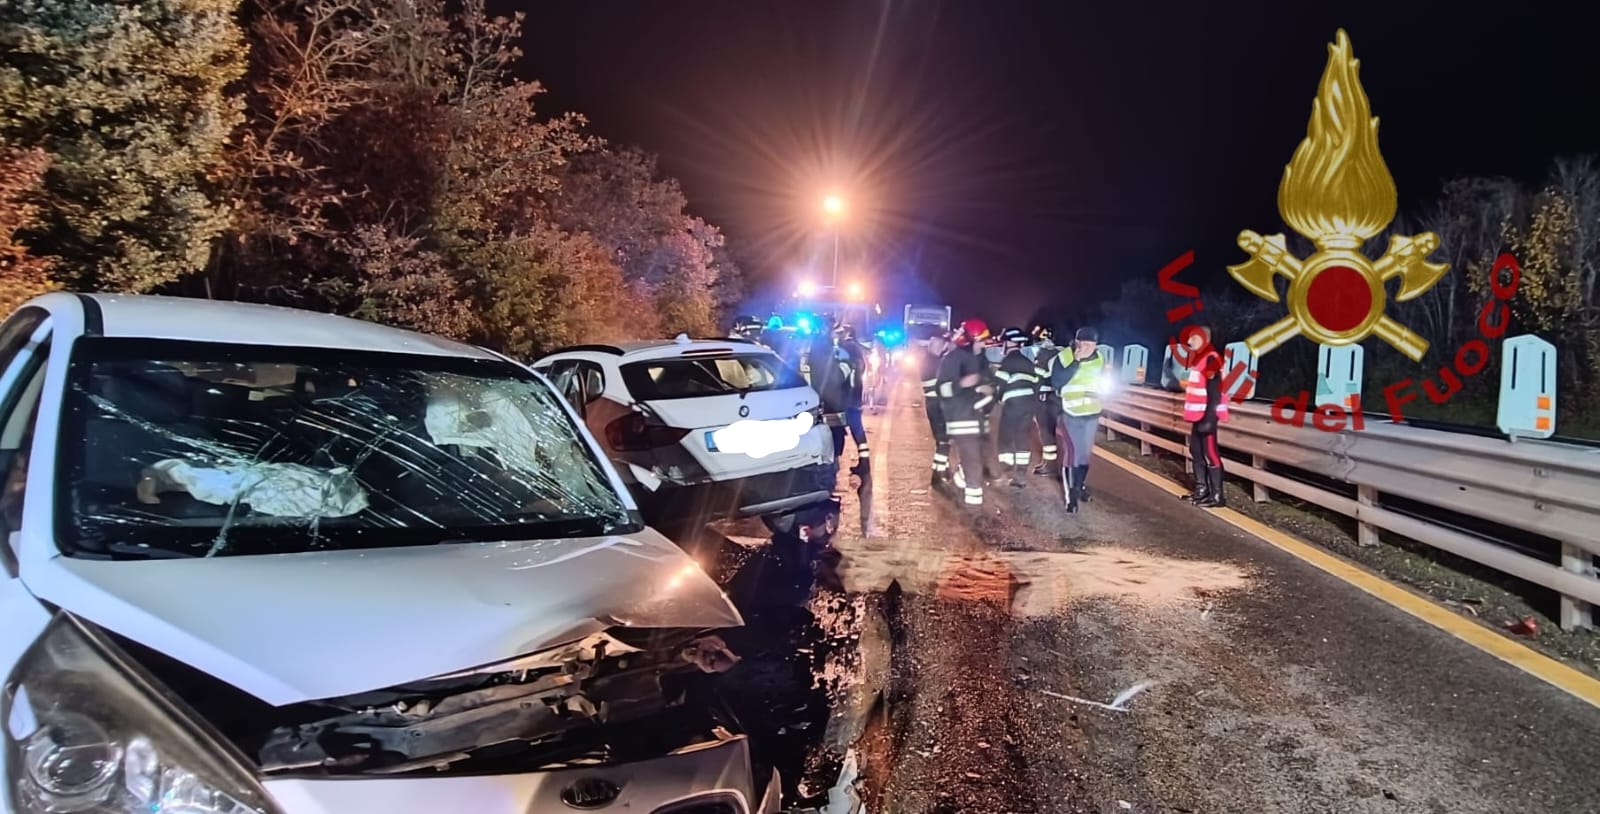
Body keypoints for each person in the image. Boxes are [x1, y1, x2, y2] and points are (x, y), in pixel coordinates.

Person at [1049, 326, 1106, 513]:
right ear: (1077, 343)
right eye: (1086, 344)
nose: (1090, 348)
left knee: (1084, 454)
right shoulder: (1064, 357)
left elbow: (1103, 380)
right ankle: (1070, 496)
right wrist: (1076, 362)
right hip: (1070, 413)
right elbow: (1057, 382)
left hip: (1092, 413)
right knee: (1072, 455)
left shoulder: (1100, 358)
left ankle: (1079, 486)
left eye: (1093, 344)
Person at [937, 318, 993, 508]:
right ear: (970, 339)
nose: (984, 344)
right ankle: (973, 510)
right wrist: (962, 383)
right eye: (981, 340)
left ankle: (962, 479)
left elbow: (988, 381)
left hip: (978, 420)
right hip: (962, 419)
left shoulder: (980, 360)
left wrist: (988, 388)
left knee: (981, 459)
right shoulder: (953, 359)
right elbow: (943, 389)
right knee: (974, 464)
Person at [1182, 324, 1230, 507]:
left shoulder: (1212, 359)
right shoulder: (1200, 359)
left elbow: (1215, 392)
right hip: (1198, 415)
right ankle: (1201, 490)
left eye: (1193, 338)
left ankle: (1217, 496)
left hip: (1207, 416)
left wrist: (1210, 418)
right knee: (1196, 452)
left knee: (1211, 454)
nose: (1189, 341)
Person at [994, 327, 1042, 487]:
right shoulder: (1028, 362)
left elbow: (998, 385)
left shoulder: (1007, 362)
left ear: (1008, 343)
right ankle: (1021, 474)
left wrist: (997, 399)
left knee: (1005, 436)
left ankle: (1007, 470)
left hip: (1013, 404)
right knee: (1022, 436)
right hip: (1029, 404)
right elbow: (1037, 384)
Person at [919, 331, 955, 485]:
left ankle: (943, 468)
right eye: (941, 346)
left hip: (933, 404)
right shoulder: (935, 363)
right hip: (939, 405)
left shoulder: (929, 360)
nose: (943, 348)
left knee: (941, 440)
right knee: (944, 441)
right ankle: (938, 474)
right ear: (933, 346)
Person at [836, 324, 870, 470]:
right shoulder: (856, 347)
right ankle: (864, 461)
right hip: (855, 393)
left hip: (847, 394)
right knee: (857, 428)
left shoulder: (846, 347)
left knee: (840, 427)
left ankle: (834, 464)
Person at [1029, 326, 1060, 475]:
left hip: (1044, 397)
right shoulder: (1058, 353)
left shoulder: (1044, 354)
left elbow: (1038, 377)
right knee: (1049, 430)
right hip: (1054, 397)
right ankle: (1049, 463)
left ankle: (1050, 465)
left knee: (1046, 431)